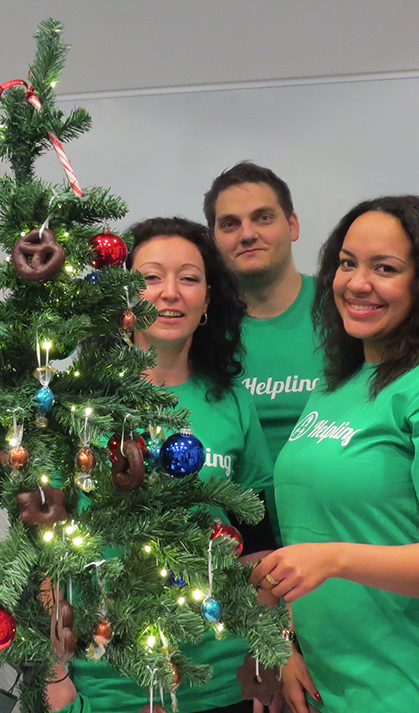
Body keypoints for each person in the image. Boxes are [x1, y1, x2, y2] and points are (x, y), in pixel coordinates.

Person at [251, 196, 419, 713]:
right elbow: (308, 527)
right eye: (347, 263)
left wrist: (335, 557)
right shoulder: (336, 383)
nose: (356, 283)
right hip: (327, 677)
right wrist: (287, 644)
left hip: (413, 682)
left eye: (384, 268)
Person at [49, 217, 274, 713]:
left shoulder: (232, 403)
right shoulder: (79, 404)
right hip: (107, 680)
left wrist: (266, 656)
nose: (170, 293)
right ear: (124, 297)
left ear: (209, 300)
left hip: (222, 677)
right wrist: (55, 673)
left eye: (189, 278)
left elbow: (258, 540)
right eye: (151, 278)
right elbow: (43, 546)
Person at [204, 162, 321, 553]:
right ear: (213, 238)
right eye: (229, 224)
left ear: (293, 225)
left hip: (337, 533)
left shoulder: (344, 311)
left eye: (263, 218)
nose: (247, 234)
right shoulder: (195, 329)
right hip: (234, 549)